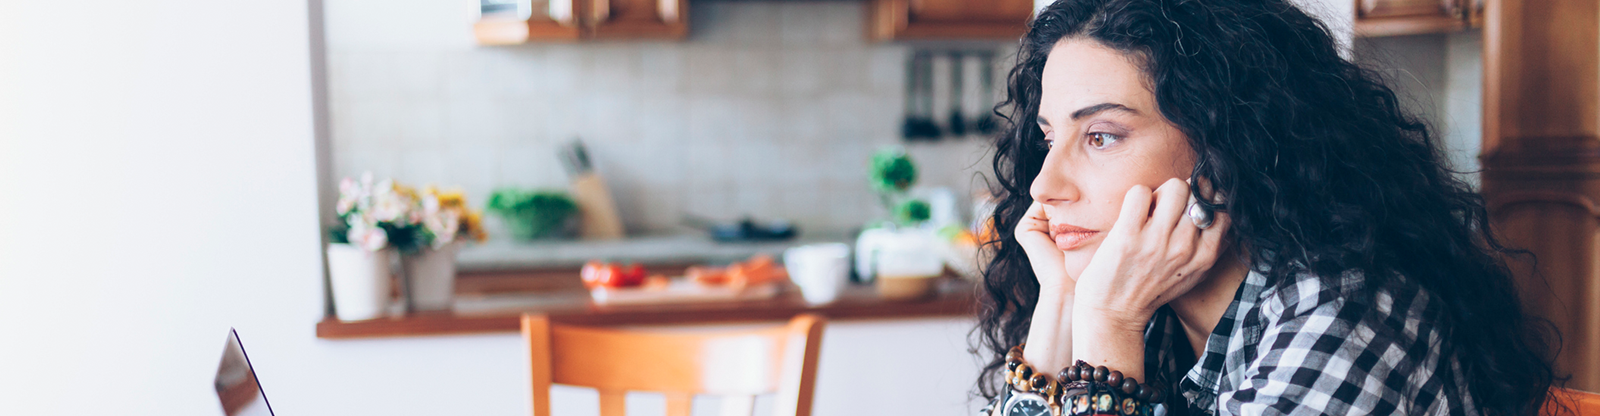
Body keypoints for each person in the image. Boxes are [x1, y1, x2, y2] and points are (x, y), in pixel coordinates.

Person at [975, 0, 1558, 415]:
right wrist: (1063, 303)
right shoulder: (1147, 310)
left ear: (1226, 149)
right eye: (1050, 138)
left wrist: (1107, 330)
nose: (1044, 186)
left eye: (1102, 136)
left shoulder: (1350, 317)